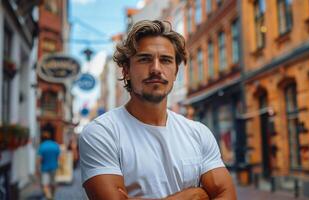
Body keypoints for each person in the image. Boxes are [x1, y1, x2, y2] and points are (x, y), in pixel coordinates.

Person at [79, 20, 237, 199]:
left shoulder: (198, 133)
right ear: (126, 71)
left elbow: (226, 194)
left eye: (166, 60)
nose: (156, 68)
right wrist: (194, 194)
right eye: (145, 59)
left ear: (175, 71)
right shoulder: (102, 133)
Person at [37, 131, 61, 200]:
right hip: (54, 167)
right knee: (53, 183)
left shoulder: (42, 146)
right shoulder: (55, 145)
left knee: (45, 184)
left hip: (44, 168)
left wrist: (37, 169)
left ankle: (49, 196)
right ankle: (52, 196)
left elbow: (39, 159)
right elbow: (58, 157)